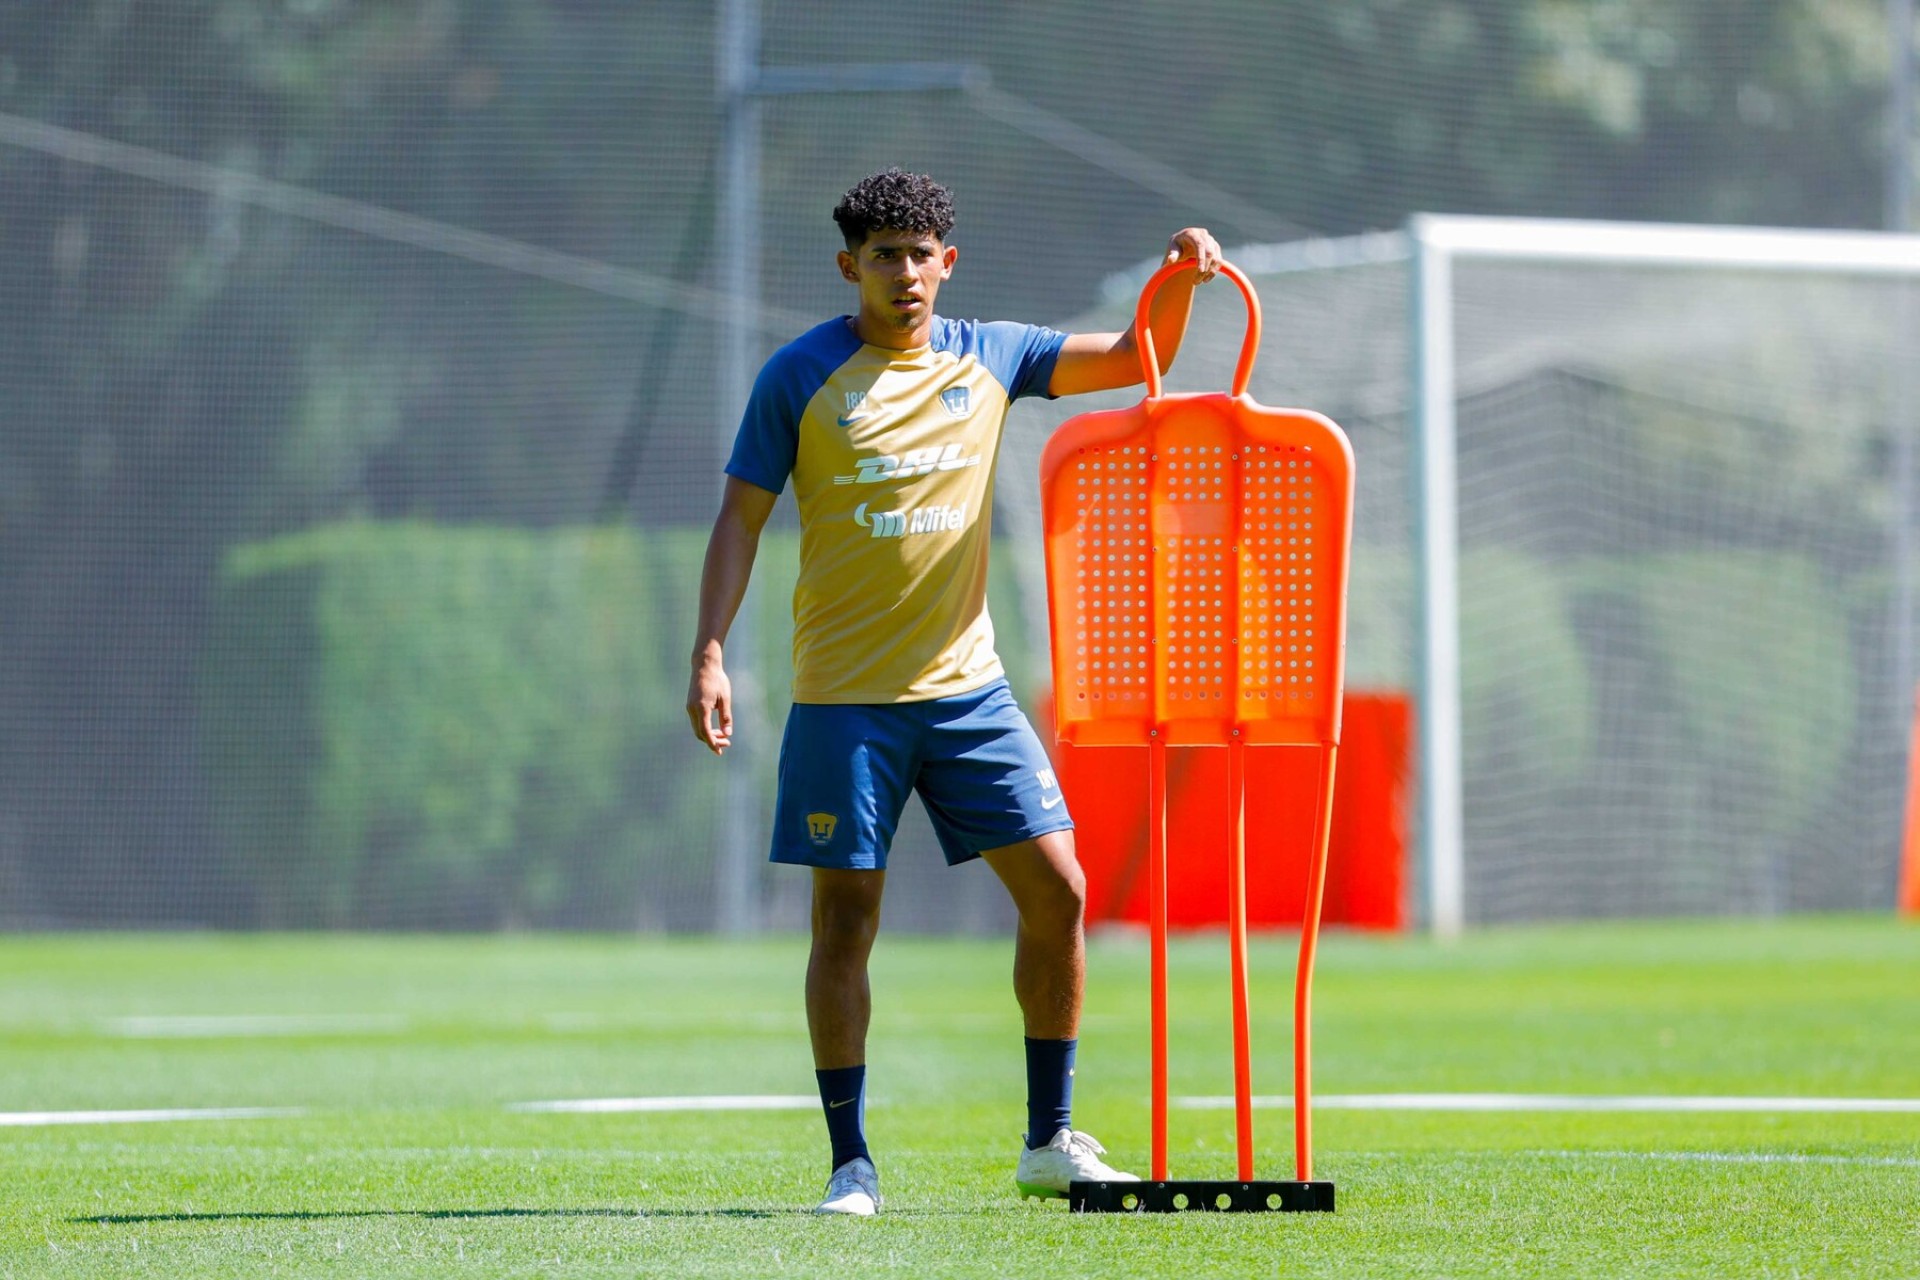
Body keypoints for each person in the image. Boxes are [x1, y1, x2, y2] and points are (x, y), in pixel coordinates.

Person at [687, 167, 1219, 1216]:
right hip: (844, 701)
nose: (905, 273)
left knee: (1060, 891)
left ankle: (1049, 1140)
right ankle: (850, 1165)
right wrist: (710, 649)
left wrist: (1178, 278)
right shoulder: (799, 376)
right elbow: (740, 518)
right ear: (850, 266)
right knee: (846, 923)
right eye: (883, 255)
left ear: (948, 263)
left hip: (971, 694)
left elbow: (1136, 356)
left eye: (920, 254)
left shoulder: (993, 355)